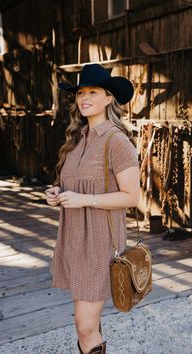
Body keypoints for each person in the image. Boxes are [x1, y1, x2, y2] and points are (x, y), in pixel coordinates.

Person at [45, 63, 140, 354]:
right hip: (74, 240)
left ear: (109, 97)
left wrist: (85, 200)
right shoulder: (77, 138)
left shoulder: (117, 141)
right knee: (87, 323)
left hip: (99, 243)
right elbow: (76, 184)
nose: (84, 98)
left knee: (85, 327)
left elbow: (131, 197)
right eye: (81, 92)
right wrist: (57, 192)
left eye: (93, 92)